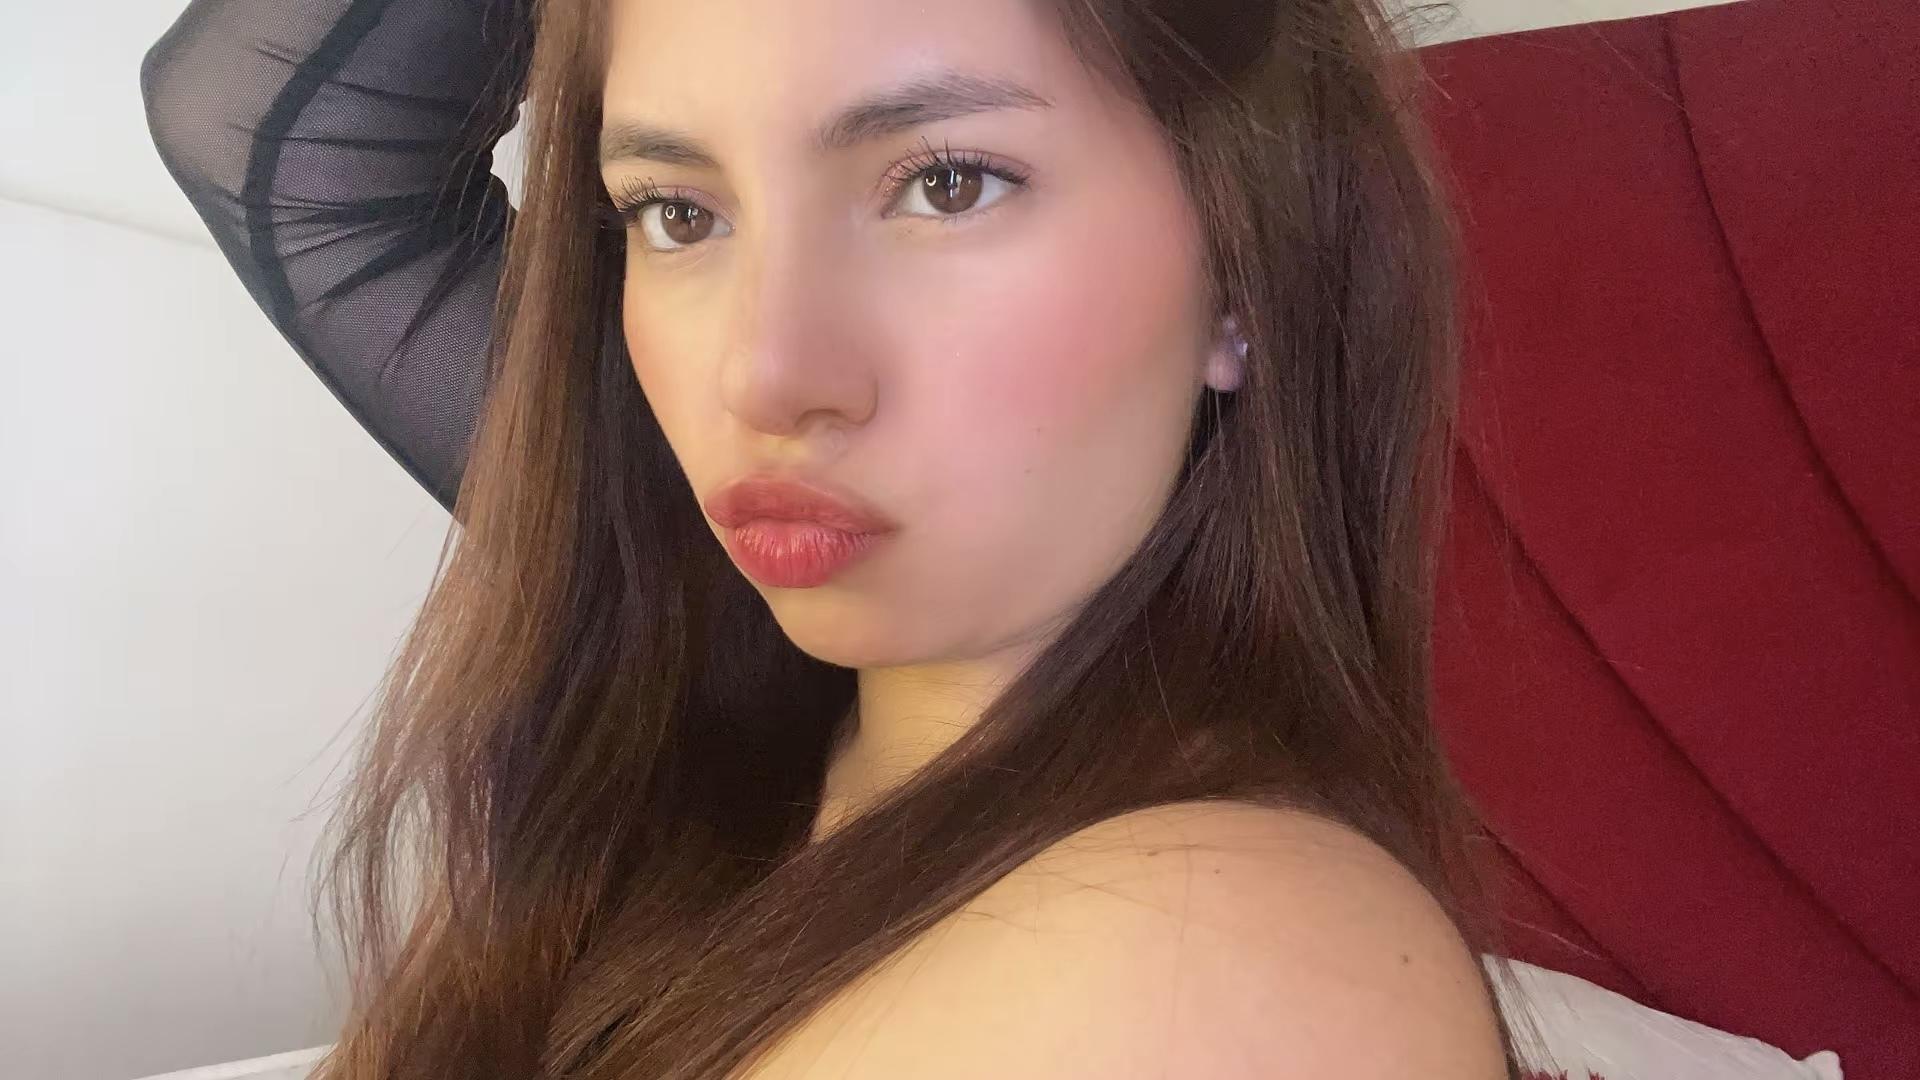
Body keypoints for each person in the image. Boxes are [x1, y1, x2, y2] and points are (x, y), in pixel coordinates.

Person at [140, 0, 1541, 1076]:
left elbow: (286, 152)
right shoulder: (710, 670)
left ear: (1247, 267)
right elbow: (263, 134)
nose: (760, 376)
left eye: (948, 184)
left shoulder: (1219, 973)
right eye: (678, 213)